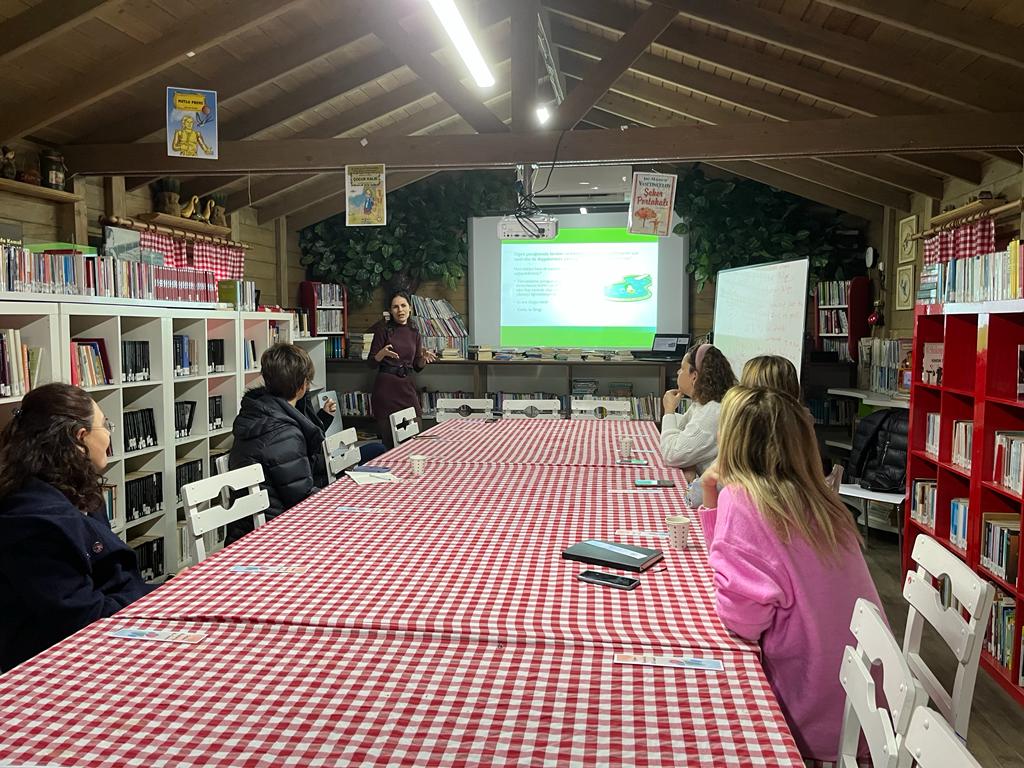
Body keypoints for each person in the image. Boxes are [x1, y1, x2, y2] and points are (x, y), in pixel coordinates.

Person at [697, 386, 883, 763]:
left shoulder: (744, 500)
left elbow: (742, 621)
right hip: (868, 707)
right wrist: (712, 495)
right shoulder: (821, 501)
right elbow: (744, 570)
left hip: (811, 715)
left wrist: (716, 497)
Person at [0, 383, 152, 671]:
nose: (109, 435)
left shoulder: (77, 492)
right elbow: (82, 618)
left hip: (110, 635)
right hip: (57, 666)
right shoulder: (32, 521)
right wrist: (155, 596)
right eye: (105, 425)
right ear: (80, 437)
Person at [227, 343, 328, 544]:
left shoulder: (255, 412)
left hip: (246, 527)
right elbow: (301, 498)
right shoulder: (284, 432)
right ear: (303, 386)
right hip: (276, 531)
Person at [368, 290, 437, 447]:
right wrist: (382, 353)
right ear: (390, 311)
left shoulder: (414, 332)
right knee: (389, 443)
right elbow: (371, 363)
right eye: (395, 307)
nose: (400, 310)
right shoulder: (383, 331)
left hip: (406, 387)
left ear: (410, 308)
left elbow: (416, 366)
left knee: (415, 435)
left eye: (403, 305)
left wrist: (423, 360)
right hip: (386, 389)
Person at [660, 342, 736, 477]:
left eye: (682, 368)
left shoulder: (712, 412)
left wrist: (669, 411)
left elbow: (671, 454)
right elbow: (683, 434)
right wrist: (690, 464)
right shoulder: (703, 403)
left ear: (694, 376)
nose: (678, 372)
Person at [296, 390, 387, 465]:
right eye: (307, 381)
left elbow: (315, 435)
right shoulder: (295, 412)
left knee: (379, 448)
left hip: (327, 458)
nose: (309, 385)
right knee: (378, 449)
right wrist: (336, 463)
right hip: (324, 464)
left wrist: (325, 415)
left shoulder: (303, 400)